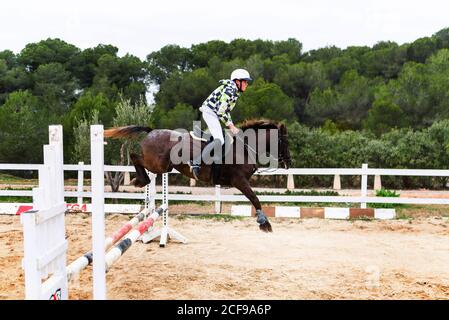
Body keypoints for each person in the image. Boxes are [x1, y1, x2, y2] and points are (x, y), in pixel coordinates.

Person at [189, 68, 252, 180]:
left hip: (213, 113)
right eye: (245, 81)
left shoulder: (233, 91)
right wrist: (231, 126)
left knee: (223, 138)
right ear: (238, 81)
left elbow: (225, 111)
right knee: (220, 140)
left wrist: (231, 125)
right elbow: (221, 111)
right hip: (210, 113)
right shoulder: (230, 90)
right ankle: (196, 162)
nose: (247, 84)